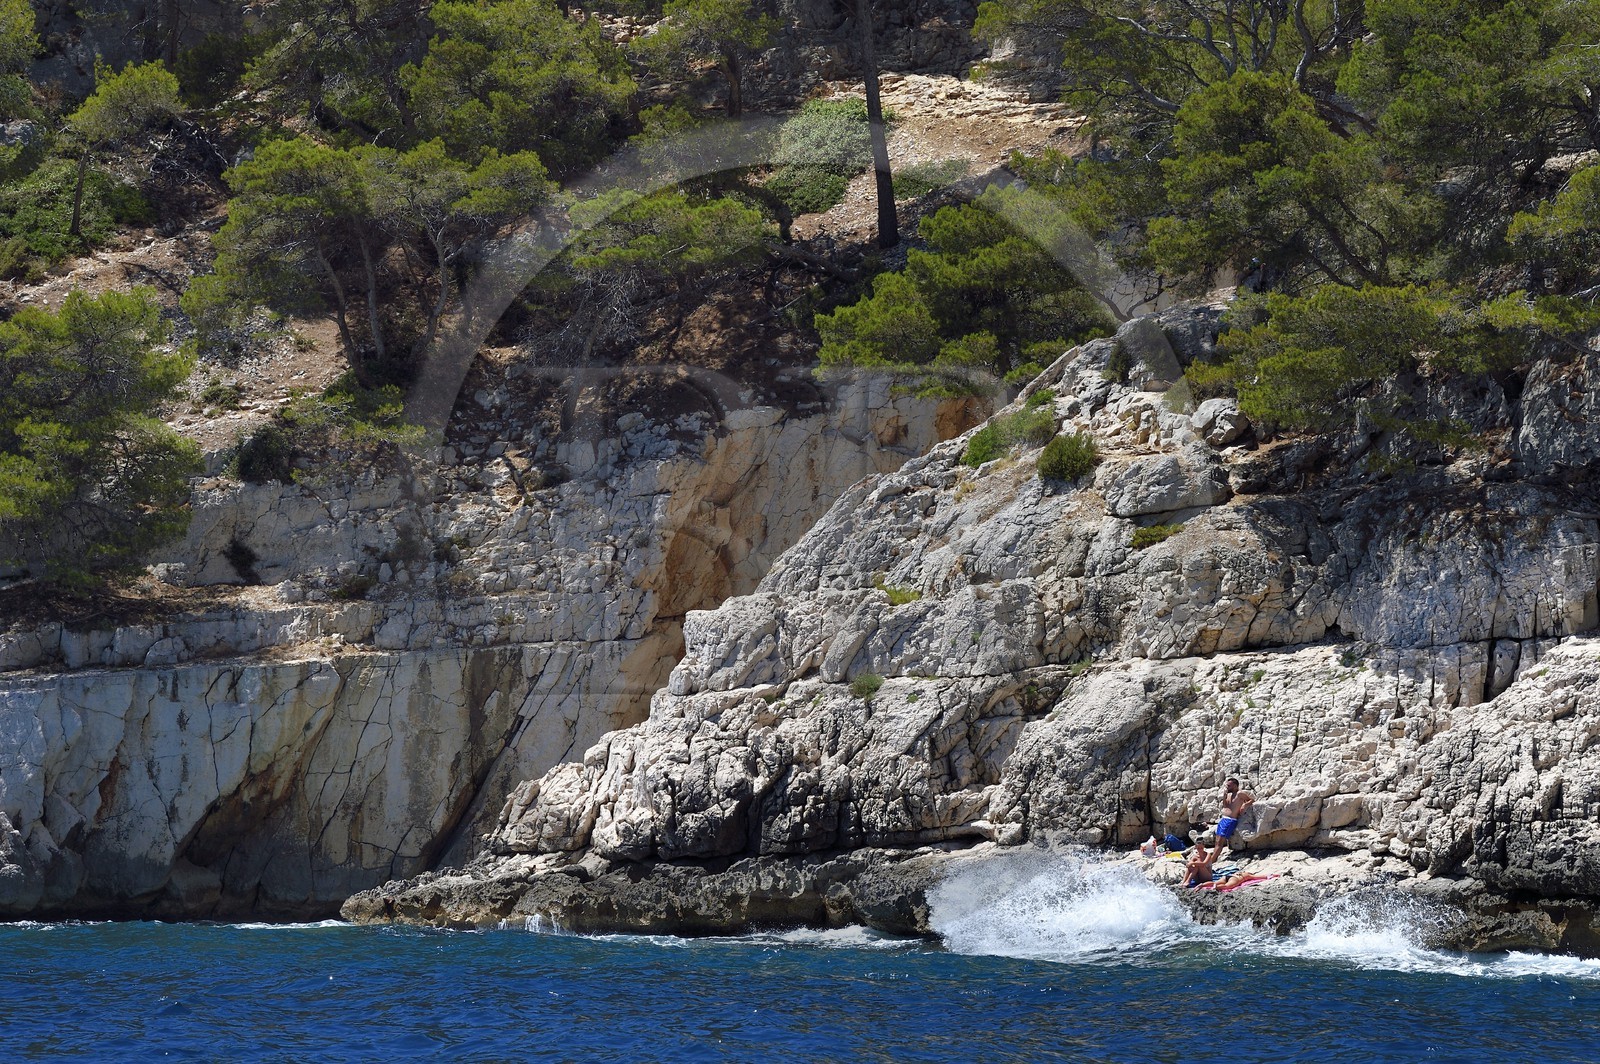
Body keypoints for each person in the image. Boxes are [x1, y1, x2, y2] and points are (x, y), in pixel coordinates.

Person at [1211, 777, 1255, 861]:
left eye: (1229, 786)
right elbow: (1225, 806)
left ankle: (1212, 860)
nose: (1227, 787)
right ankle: (1213, 858)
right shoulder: (1229, 794)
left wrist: (1244, 805)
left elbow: (1252, 800)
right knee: (1217, 841)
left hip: (1230, 820)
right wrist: (1224, 797)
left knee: (1220, 842)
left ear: (1235, 786)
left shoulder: (1240, 794)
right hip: (1223, 819)